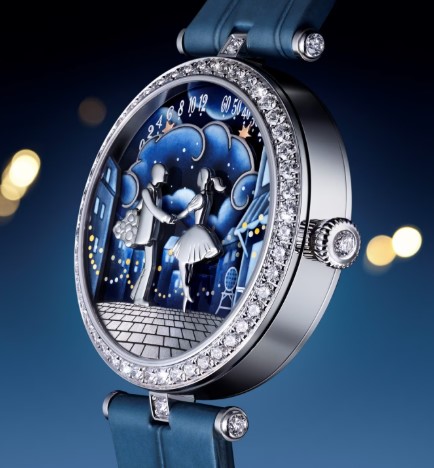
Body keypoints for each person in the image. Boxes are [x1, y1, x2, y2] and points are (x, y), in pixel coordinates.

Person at [173, 167, 225, 312]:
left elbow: (185, 212)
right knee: (189, 264)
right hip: (203, 231)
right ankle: (187, 296)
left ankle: (186, 290)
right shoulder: (209, 197)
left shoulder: (199, 197)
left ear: (201, 179)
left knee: (183, 262)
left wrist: (175, 218)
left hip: (197, 231)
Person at [130, 163, 174, 306]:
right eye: (164, 172)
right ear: (157, 173)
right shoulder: (146, 192)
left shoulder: (157, 191)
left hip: (153, 233)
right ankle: (139, 298)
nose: (166, 175)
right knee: (150, 266)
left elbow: (139, 206)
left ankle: (135, 294)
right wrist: (166, 218)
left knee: (148, 265)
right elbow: (153, 209)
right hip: (147, 234)